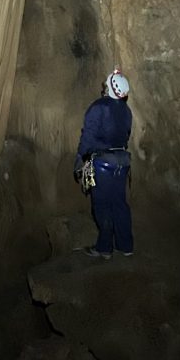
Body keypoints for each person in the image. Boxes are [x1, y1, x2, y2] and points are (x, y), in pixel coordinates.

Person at [74, 68, 133, 260]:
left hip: (102, 164)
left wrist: (79, 159)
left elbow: (88, 136)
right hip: (122, 163)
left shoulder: (98, 107)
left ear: (108, 88)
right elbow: (125, 137)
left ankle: (104, 248)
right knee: (120, 204)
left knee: (101, 205)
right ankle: (126, 245)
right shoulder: (127, 111)